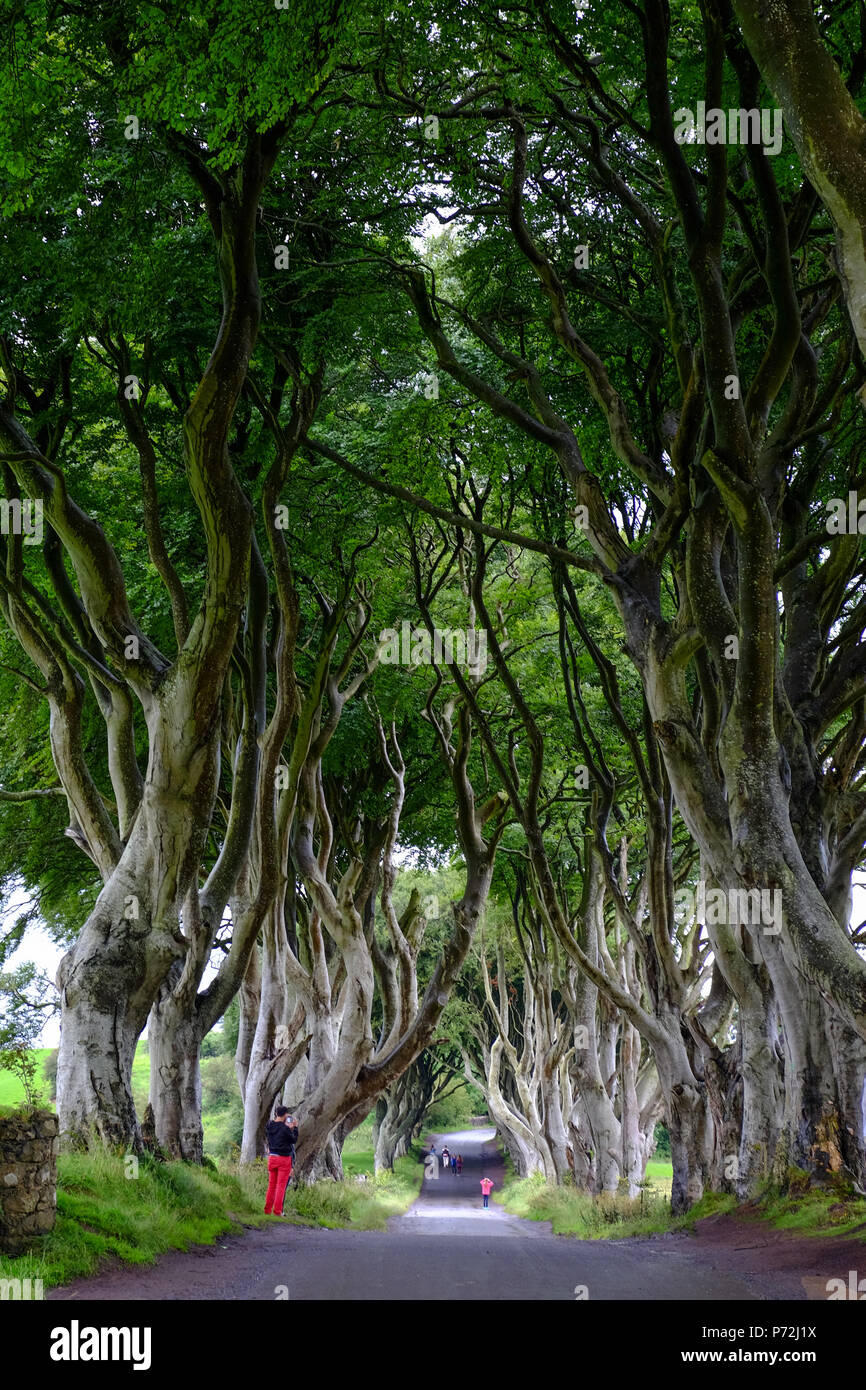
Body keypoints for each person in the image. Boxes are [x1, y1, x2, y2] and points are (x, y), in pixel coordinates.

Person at [264, 1106, 299, 1216]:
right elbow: (293, 1140)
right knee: (281, 1186)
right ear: (285, 1115)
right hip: (284, 1159)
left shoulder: (269, 1125)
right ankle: (277, 1211)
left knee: (271, 1185)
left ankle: (267, 1210)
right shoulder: (285, 1128)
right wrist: (295, 1127)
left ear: (276, 1113)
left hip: (272, 1158)